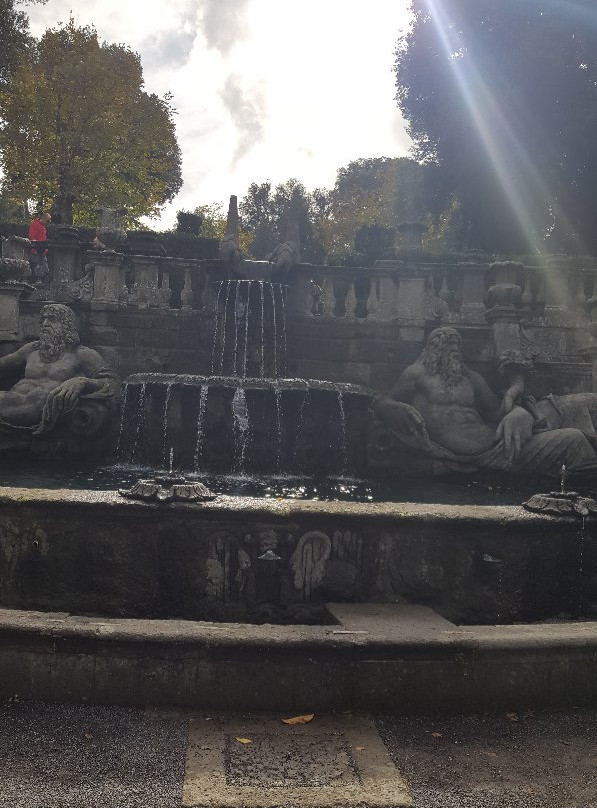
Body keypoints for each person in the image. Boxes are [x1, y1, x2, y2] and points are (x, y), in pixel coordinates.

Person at [374, 326, 596, 477]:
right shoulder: (416, 374)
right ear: (432, 348)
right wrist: (389, 406)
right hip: (465, 455)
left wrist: (517, 409)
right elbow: (384, 400)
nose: (453, 350)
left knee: (573, 439)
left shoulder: (472, 378)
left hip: (502, 447)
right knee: (575, 440)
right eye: (446, 345)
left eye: (456, 345)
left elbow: (495, 413)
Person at [0, 304, 120, 434]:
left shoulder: (82, 354)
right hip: (11, 400)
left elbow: (113, 382)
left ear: (66, 325)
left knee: (37, 398)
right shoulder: (31, 349)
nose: (45, 323)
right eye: (43, 319)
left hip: (41, 409)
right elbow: (4, 362)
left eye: (52, 319)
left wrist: (82, 381)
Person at [28, 212, 51, 283]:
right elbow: (32, 237)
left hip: (42, 251)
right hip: (35, 251)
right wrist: (37, 246)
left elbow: (43, 239)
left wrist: (45, 249)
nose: (48, 222)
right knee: (37, 267)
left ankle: (41, 283)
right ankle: (37, 284)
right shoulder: (35, 224)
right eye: (48, 221)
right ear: (43, 219)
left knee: (45, 269)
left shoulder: (43, 228)